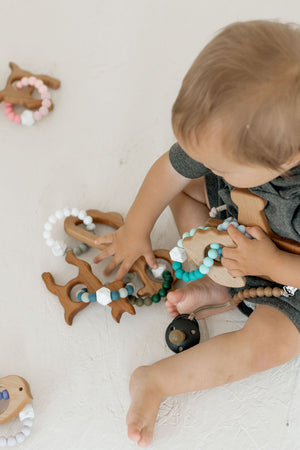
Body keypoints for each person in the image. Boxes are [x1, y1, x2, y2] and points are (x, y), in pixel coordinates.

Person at [94, 20, 300, 447]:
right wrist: (136, 229)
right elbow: (170, 172)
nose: (203, 163)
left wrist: (271, 265)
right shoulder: (232, 135)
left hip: (289, 273)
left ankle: (157, 381)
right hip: (237, 223)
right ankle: (217, 280)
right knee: (183, 191)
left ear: (287, 157)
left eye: (219, 164)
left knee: (275, 344)